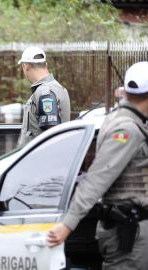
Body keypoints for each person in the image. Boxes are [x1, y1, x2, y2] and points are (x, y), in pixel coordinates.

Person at [47, 61, 148, 269]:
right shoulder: (127, 130)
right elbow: (96, 179)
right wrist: (68, 225)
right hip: (129, 235)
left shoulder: (119, 119)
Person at [17, 46, 71, 146]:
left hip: (39, 159)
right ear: (46, 64)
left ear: (26, 66)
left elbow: (51, 133)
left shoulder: (45, 92)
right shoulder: (57, 88)